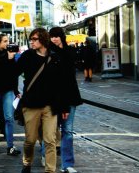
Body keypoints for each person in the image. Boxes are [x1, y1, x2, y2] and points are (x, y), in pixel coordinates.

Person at [16, 28, 70, 173]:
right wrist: (9, 59)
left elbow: (61, 84)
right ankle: (27, 163)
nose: (31, 42)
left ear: (43, 40)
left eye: (34, 39)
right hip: (31, 105)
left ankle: (50, 170)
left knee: (50, 140)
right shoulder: (27, 56)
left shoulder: (55, 58)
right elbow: (13, 72)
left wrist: (64, 107)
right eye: (31, 39)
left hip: (49, 106)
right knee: (30, 140)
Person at [48, 27, 83, 173]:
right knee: (50, 131)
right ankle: (48, 159)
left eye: (57, 36)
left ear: (62, 37)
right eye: (52, 37)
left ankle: (67, 164)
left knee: (67, 131)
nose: (54, 39)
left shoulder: (69, 52)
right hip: (52, 98)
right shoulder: (48, 53)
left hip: (69, 97)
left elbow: (69, 79)